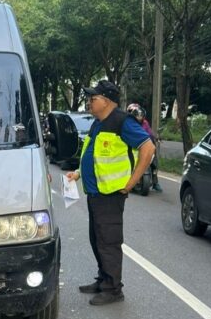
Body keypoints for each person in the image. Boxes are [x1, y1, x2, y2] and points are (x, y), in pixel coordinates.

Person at [66, 80, 156, 305]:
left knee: (109, 242)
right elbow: (94, 156)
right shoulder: (98, 123)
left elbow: (148, 148)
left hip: (110, 195)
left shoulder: (122, 122)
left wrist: (132, 182)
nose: (89, 102)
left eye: (93, 98)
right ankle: (103, 279)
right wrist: (78, 173)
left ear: (106, 101)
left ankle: (114, 289)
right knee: (97, 239)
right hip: (95, 193)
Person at [126, 103, 162, 191]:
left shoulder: (145, 123)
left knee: (154, 162)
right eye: (133, 112)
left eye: (139, 114)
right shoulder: (126, 123)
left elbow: (150, 133)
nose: (138, 116)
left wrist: (155, 138)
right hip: (132, 147)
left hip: (143, 146)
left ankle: (155, 182)